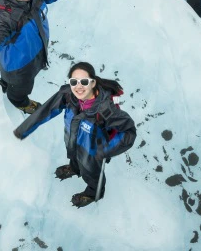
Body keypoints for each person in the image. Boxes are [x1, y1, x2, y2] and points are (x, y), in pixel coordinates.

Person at [14, 62, 136, 208]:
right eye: (74, 82)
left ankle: (93, 193)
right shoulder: (67, 95)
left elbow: (129, 132)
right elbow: (46, 110)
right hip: (72, 139)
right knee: (74, 156)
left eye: (84, 81)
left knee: (91, 173)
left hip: (92, 151)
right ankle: (74, 168)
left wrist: (104, 151)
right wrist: (24, 129)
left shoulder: (106, 110)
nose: (79, 86)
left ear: (93, 83)